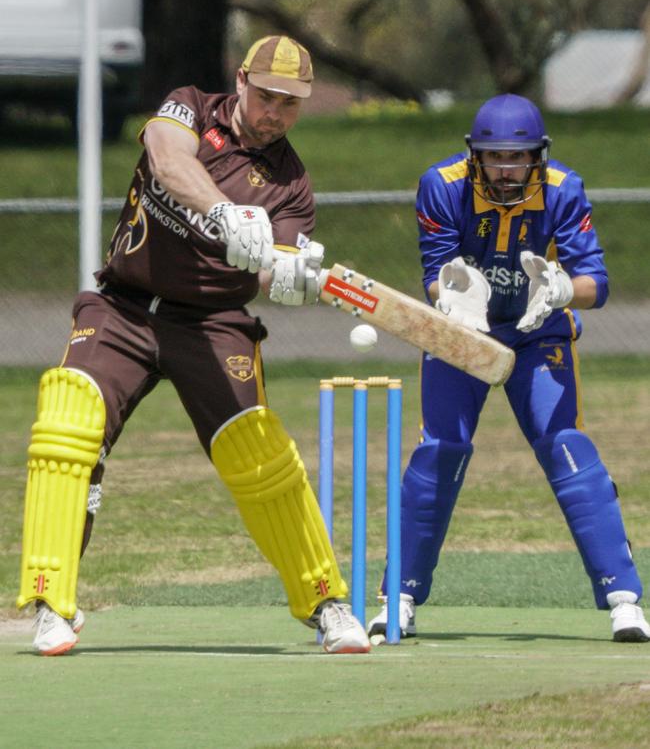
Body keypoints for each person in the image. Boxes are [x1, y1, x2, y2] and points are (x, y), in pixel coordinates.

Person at [17, 34, 370, 656]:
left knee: (259, 452)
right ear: (240, 82)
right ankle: (51, 603)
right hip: (123, 306)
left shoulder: (291, 185)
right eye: (267, 97)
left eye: (291, 104)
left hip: (212, 322)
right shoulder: (188, 108)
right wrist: (225, 213)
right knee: (67, 421)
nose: (276, 114)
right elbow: (167, 160)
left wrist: (286, 276)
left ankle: (327, 604)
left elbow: (271, 269)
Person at [368, 93, 650, 644]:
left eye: (516, 158)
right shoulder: (442, 184)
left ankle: (624, 600)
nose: (505, 169)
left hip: (538, 331)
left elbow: (599, 283)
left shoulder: (564, 188)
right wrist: (453, 299)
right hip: (462, 333)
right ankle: (398, 596)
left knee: (564, 442)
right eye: (494, 157)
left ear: (537, 157)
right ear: (475, 155)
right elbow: (434, 271)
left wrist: (565, 288)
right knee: (440, 450)